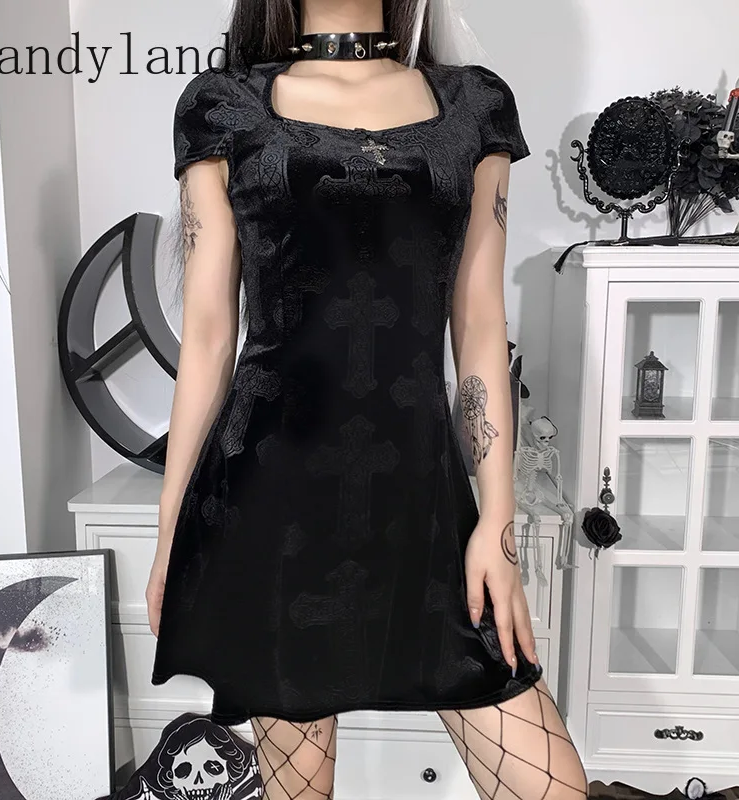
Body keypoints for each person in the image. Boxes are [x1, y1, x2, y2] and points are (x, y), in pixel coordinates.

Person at [146, 0, 589, 798]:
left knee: (551, 786)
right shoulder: (224, 106)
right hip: (270, 500)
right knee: (300, 788)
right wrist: (171, 528)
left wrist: (497, 521)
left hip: (421, 497)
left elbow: (480, 323)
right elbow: (208, 336)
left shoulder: (475, 105)